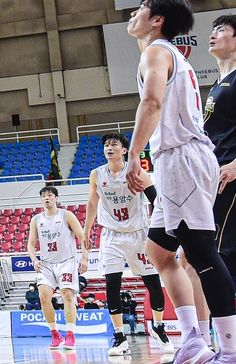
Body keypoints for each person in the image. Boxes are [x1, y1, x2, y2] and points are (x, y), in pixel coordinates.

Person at [124, 0, 236, 362]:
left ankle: (231, 348)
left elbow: (152, 102)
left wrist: (133, 156)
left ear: (157, 19)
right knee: (158, 251)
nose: (133, 13)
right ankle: (192, 338)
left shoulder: (156, 52)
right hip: (180, 160)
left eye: (141, 8)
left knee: (202, 251)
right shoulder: (176, 57)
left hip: (182, 159)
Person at [83, 132, 172, 356]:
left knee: (153, 282)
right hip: (112, 235)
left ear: (124, 150)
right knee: (112, 284)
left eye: (114, 144)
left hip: (139, 234)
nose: (109, 147)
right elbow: (92, 203)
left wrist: (162, 229)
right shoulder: (96, 174)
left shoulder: (136, 171)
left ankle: (158, 327)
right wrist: (87, 230)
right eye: (106, 145)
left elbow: (155, 199)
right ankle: (120, 336)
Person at [186, 13, 236, 348]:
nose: (213, 34)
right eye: (213, 29)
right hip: (213, 175)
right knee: (215, 257)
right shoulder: (216, 83)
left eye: (222, 30)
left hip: (231, 177)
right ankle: (208, 339)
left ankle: (214, 341)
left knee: (204, 254)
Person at [26, 185, 88, 351]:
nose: (47, 198)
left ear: (56, 198)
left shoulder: (66, 215)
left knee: (67, 295)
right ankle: (55, 334)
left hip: (66, 262)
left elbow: (83, 237)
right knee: (43, 296)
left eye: (50, 195)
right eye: (44, 196)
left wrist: (84, 258)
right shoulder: (36, 220)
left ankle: (70, 334)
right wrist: (34, 259)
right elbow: (31, 244)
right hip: (46, 263)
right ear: (41, 199)